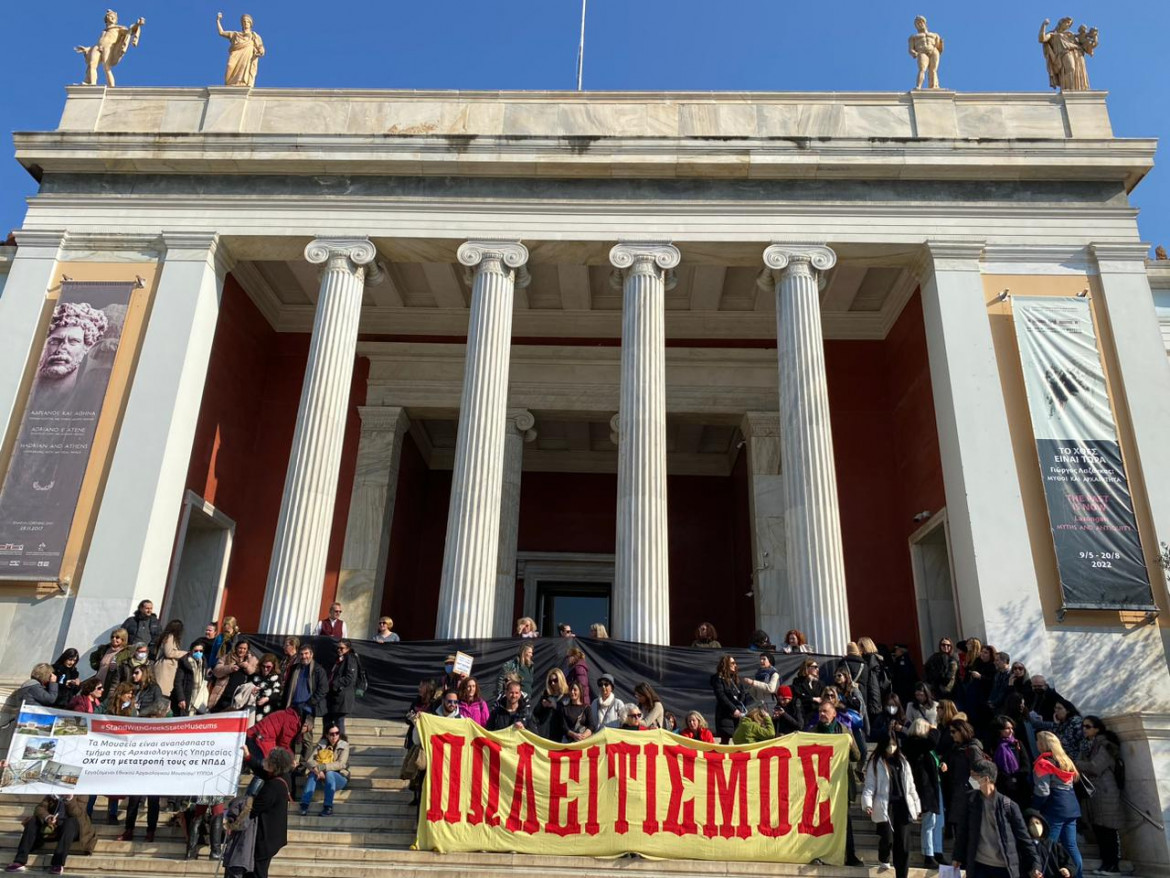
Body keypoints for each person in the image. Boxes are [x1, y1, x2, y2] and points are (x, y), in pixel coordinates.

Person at [952, 760, 1038, 878]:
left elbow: (1024, 838)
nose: (971, 780)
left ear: (986, 779)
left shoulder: (1008, 806)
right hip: (979, 865)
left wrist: (1035, 865)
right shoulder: (971, 801)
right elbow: (963, 830)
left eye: (974, 776)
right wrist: (957, 856)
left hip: (1004, 867)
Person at [811, 702, 865, 867]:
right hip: (821, 786)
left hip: (841, 785)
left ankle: (850, 855)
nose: (822, 714)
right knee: (820, 822)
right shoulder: (813, 732)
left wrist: (848, 743)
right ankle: (820, 854)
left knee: (844, 822)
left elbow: (856, 756)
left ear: (834, 714)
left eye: (825, 711)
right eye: (820, 711)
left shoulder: (843, 731)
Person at [863, 735, 922, 878]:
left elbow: (911, 786)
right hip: (885, 804)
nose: (891, 748)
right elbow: (870, 785)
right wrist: (867, 803)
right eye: (889, 745)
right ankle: (884, 856)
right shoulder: (876, 762)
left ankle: (902, 874)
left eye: (894, 745)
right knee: (887, 837)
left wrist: (917, 806)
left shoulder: (903, 762)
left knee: (903, 843)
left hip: (903, 804)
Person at [1074, 716, 1122, 874]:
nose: (1084, 729)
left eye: (1088, 726)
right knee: (1099, 829)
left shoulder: (1105, 745)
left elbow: (1096, 767)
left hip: (1106, 791)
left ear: (1097, 728)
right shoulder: (1088, 745)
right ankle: (1106, 863)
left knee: (1108, 829)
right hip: (1095, 792)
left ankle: (1113, 864)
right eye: (1083, 726)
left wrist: (1075, 764)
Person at [1032, 730, 1083, 878]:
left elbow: (1043, 791)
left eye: (1037, 740)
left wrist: (1034, 808)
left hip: (1054, 808)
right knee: (1072, 846)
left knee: (1048, 846)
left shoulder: (1043, 763)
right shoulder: (1066, 761)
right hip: (1071, 807)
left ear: (1042, 744)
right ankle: (1078, 875)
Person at [4, 794, 97, 875]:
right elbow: (40, 808)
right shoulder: (54, 793)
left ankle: (58, 863)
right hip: (54, 825)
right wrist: (47, 817)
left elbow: (77, 814)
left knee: (70, 822)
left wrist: (69, 799)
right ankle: (19, 861)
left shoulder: (82, 793)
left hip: (75, 827)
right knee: (32, 821)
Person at [903, 718, 944, 868]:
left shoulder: (919, 746)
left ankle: (933, 853)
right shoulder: (914, 743)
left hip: (929, 789)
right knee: (928, 824)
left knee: (933, 823)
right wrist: (934, 729)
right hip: (923, 789)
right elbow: (932, 742)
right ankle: (928, 855)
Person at [250, 747, 293, 878]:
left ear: (274, 765)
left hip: (266, 838)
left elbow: (254, 808)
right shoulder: (283, 777)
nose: (265, 761)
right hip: (273, 837)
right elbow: (261, 769)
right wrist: (248, 756)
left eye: (268, 760)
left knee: (258, 872)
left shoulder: (273, 786)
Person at [299, 723, 350, 817]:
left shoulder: (344, 745)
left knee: (330, 773)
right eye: (331, 734)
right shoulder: (321, 744)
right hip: (321, 778)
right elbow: (310, 761)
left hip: (339, 779)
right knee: (312, 774)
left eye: (337, 733)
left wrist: (322, 767)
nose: (334, 736)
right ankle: (304, 805)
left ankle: (328, 807)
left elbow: (340, 764)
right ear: (326, 735)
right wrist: (316, 769)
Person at [990, 715, 1030, 809]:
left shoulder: (1017, 743)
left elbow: (1026, 764)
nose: (1011, 731)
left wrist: (1015, 778)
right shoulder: (994, 745)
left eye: (1012, 728)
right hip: (1003, 786)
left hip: (1019, 785)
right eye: (1007, 728)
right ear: (999, 730)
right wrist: (1005, 778)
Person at [216, 12, 265, 87]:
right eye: (244, 21)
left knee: (243, 67)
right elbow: (221, 32)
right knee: (230, 65)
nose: (245, 23)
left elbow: (260, 47)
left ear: (250, 24)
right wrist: (218, 21)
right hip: (236, 53)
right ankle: (229, 84)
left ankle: (242, 82)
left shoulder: (254, 35)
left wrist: (260, 51)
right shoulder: (235, 34)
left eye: (247, 21)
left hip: (247, 53)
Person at [1024, 809, 1075, 878]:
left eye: (1037, 823)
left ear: (1043, 824)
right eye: (1031, 824)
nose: (1035, 826)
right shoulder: (1024, 847)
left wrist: (1067, 870)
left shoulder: (1053, 845)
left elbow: (1069, 862)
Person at [711, 655, 748, 744]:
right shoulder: (718, 678)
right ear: (726, 664)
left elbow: (742, 693)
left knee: (738, 739)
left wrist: (739, 708)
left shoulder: (736, 679)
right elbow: (721, 696)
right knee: (725, 739)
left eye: (735, 663)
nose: (735, 665)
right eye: (732, 663)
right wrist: (733, 709)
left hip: (738, 715)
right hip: (725, 714)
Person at [283, 645, 328, 718]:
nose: (304, 656)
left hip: (309, 709)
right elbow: (287, 688)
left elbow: (323, 689)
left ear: (311, 654)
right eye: (301, 654)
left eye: (306, 653)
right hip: (293, 708)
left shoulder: (318, 670)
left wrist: (310, 702)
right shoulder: (294, 669)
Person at [325, 639, 358, 734]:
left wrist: (335, 683)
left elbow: (349, 677)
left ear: (348, 648)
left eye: (341, 648)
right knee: (333, 721)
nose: (339, 650)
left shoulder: (350, 659)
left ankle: (342, 744)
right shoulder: (339, 659)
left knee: (339, 722)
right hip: (335, 696)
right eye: (338, 647)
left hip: (343, 696)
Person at [151, 619, 187, 701]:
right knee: (162, 694)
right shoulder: (170, 637)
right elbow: (169, 652)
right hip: (166, 668)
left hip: (166, 668)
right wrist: (185, 653)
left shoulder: (168, 636)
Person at [172, 639, 209, 716]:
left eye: (201, 651)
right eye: (196, 651)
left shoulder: (203, 662)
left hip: (199, 697)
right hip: (187, 696)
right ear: (191, 651)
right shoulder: (184, 662)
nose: (198, 653)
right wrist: (181, 698)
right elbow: (178, 682)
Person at [529, 669, 568, 741]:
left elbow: (568, 714)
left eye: (555, 680)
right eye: (550, 682)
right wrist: (542, 705)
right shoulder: (546, 695)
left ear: (561, 679)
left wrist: (556, 706)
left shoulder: (566, 696)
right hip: (544, 733)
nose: (553, 683)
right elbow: (536, 713)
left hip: (559, 734)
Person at [908, 15, 944, 89]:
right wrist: (914, 53)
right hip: (922, 52)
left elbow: (939, 46)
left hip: (933, 51)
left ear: (925, 23)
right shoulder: (914, 37)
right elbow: (910, 49)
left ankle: (934, 86)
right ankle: (919, 86)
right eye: (917, 24)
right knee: (922, 69)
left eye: (921, 22)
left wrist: (941, 44)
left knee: (933, 70)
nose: (919, 24)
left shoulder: (935, 35)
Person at [252, 654, 283, 720]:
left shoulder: (276, 677)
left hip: (267, 712)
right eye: (263, 666)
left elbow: (277, 694)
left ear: (273, 666)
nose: (265, 669)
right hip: (251, 709)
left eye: (268, 667)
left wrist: (267, 698)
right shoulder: (255, 675)